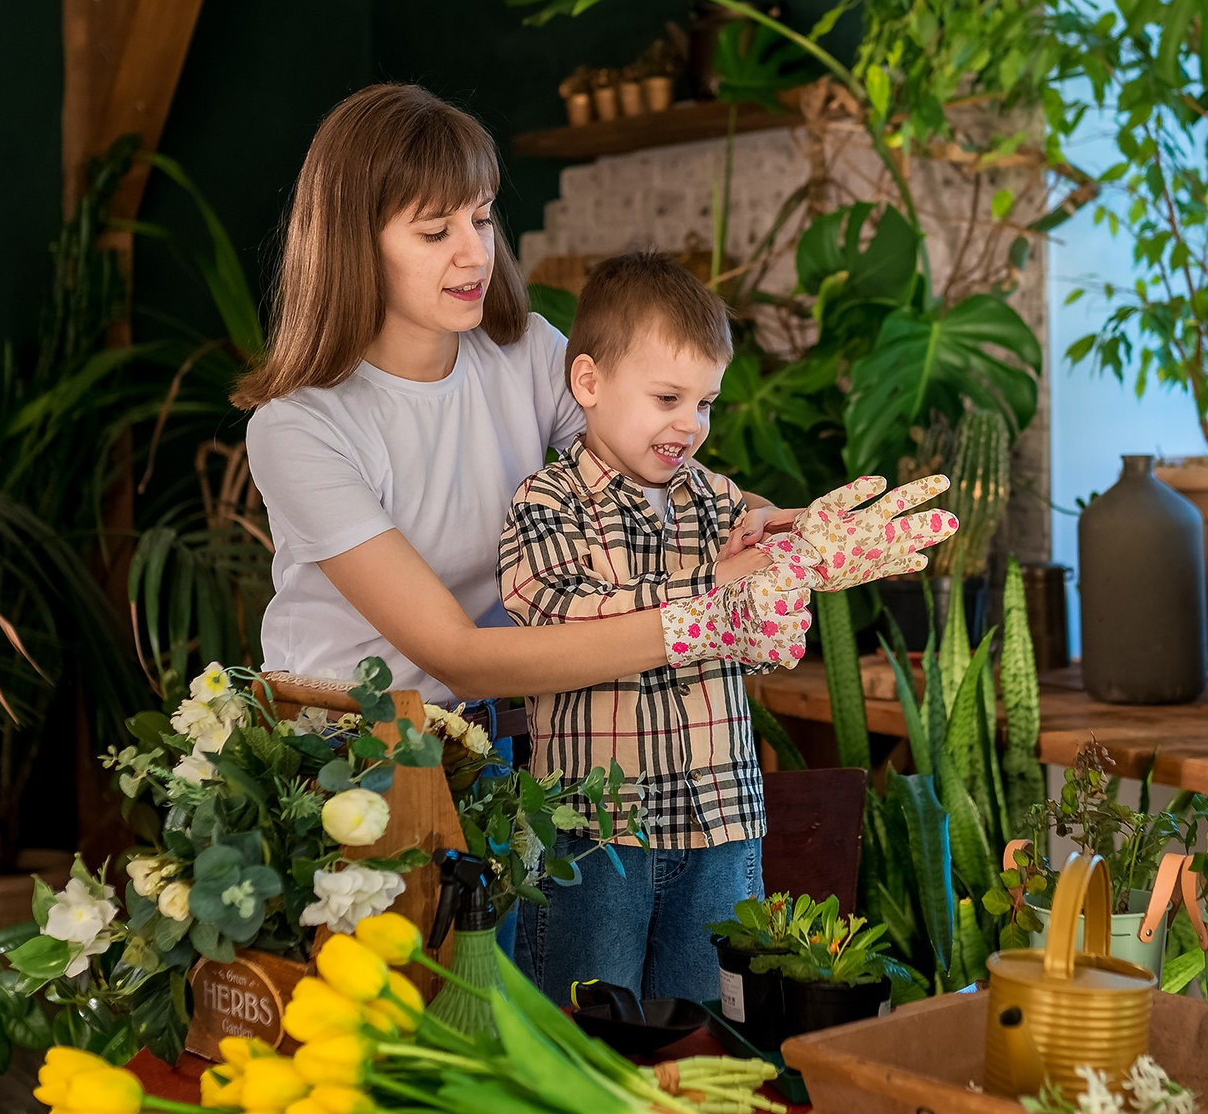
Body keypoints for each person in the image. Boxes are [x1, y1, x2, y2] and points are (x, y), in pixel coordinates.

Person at [236, 84, 802, 718]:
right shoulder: (299, 429)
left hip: (502, 726)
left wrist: (767, 521)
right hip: (347, 744)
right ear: (354, 245)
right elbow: (458, 658)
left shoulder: (526, 352)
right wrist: (704, 613)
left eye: (480, 217)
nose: (477, 253)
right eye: (434, 232)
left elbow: (666, 481)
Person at [497, 252, 816, 1002]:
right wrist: (712, 585)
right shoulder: (548, 502)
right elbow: (554, 611)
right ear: (589, 383)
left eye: (705, 402)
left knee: (714, 1032)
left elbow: (768, 646)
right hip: (594, 832)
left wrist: (788, 565)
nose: (692, 425)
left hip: (721, 820)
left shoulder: (717, 502)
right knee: (588, 1029)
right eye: (669, 396)